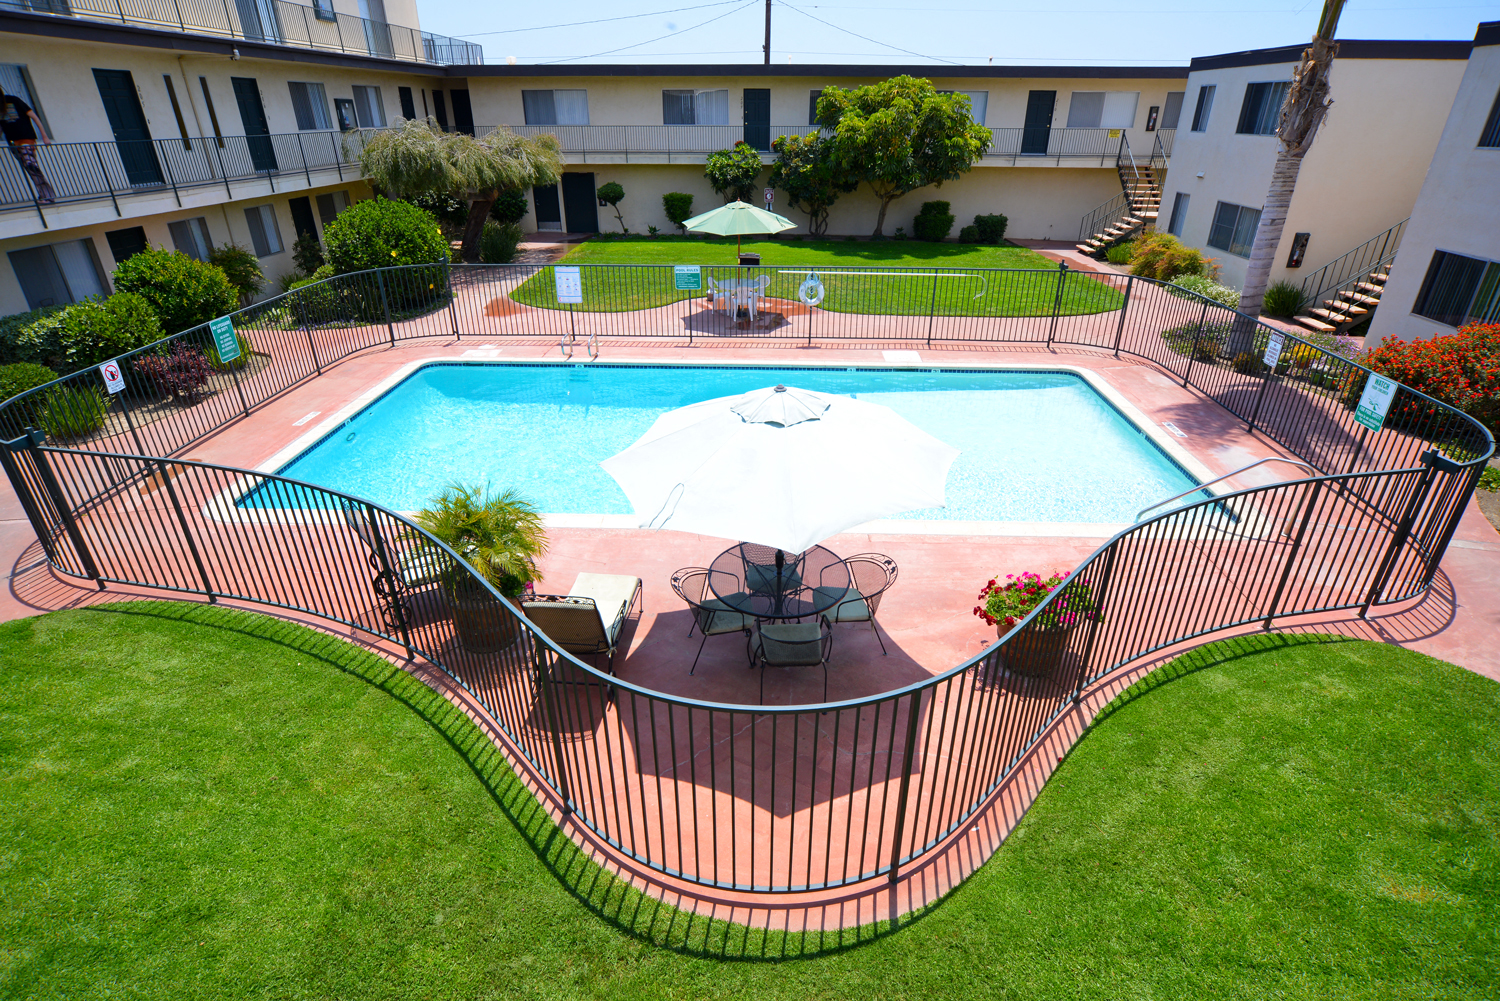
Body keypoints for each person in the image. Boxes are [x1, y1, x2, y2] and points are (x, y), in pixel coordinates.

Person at [1, 86, 55, 205]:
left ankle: (48, 196)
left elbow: (34, 117)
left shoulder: (13, 100)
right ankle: (43, 194)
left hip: (26, 138)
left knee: (31, 166)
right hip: (13, 142)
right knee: (30, 169)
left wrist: (44, 136)